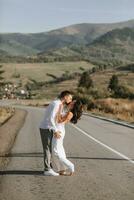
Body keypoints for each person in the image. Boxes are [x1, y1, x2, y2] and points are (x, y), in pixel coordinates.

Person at [39, 91, 73, 176]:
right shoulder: (56, 104)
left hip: (48, 128)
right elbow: (51, 118)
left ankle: (49, 168)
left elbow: (57, 117)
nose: (71, 99)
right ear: (65, 97)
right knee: (47, 149)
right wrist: (56, 130)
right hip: (46, 128)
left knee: (49, 149)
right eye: (70, 97)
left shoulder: (59, 104)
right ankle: (47, 170)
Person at [52, 99, 83, 176]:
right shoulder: (67, 110)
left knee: (55, 151)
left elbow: (60, 121)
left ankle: (70, 166)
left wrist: (58, 110)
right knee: (60, 150)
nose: (71, 101)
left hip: (59, 131)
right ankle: (61, 169)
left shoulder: (70, 113)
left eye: (73, 102)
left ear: (74, 105)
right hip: (59, 130)